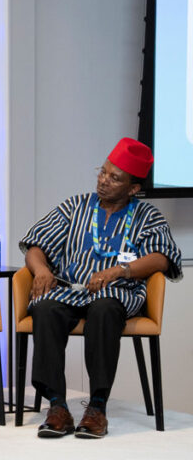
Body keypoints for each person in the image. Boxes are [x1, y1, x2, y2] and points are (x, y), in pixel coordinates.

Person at [20, 137, 182, 439]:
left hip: (117, 293)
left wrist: (120, 271)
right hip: (70, 289)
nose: (104, 181)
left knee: (104, 310)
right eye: (102, 172)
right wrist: (41, 269)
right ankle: (57, 406)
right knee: (45, 308)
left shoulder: (148, 216)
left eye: (115, 178)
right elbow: (36, 244)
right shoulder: (76, 206)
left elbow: (162, 257)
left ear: (133, 188)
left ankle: (97, 407)